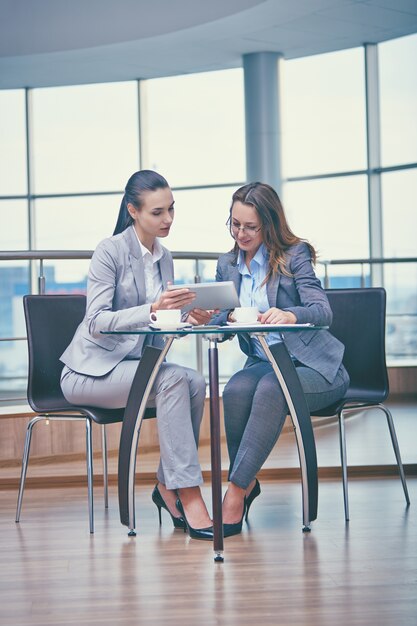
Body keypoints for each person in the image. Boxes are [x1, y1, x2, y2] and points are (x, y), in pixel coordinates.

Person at [60, 170, 214, 540]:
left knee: (194, 379)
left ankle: (167, 486)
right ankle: (189, 494)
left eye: (172, 210)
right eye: (158, 212)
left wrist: (186, 319)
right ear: (133, 211)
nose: (168, 220)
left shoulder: (164, 257)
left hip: (133, 368)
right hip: (89, 374)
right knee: (176, 378)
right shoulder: (109, 251)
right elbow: (96, 322)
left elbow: (158, 331)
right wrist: (153, 309)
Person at [212, 182, 350, 537]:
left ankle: (235, 492)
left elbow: (322, 311)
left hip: (316, 368)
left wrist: (290, 314)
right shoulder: (227, 265)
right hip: (263, 363)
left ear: (269, 225)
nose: (240, 233)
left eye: (250, 227)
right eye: (234, 224)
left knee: (274, 389)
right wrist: (222, 318)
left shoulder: (294, 255)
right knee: (236, 389)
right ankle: (246, 483)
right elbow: (219, 325)